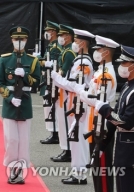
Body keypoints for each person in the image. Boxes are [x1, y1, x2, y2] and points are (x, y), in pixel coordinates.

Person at [47, 29, 95, 184]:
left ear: (81, 43)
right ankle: (78, 172)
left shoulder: (83, 63)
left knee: (78, 140)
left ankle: (79, 174)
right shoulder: (80, 60)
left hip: (80, 105)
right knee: (76, 139)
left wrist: (55, 76)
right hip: (76, 104)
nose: (74, 43)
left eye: (76, 40)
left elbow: (74, 86)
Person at [0, 26, 40, 184]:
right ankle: (11, 168)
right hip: (10, 104)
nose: (19, 42)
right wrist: (9, 98)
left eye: (22, 39)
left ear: (26, 40)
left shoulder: (32, 60)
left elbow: (38, 81)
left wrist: (26, 75)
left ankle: (19, 171)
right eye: (16, 39)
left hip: (25, 103)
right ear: (12, 40)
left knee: (24, 140)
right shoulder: (5, 59)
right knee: (11, 139)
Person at [74, 35, 118, 192]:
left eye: (98, 50)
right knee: (97, 167)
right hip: (95, 121)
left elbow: (99, 101)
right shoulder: (102, 71)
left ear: (106, 52)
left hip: (102, 124)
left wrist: (81, 92)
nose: (96, 53)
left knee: (102, 168)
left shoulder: (105, 75)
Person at [50, 24, 76, 162]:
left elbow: (64, 73)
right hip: (63, 88)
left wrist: (56, 77)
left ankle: (68, 150)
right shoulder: (66, 50)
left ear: (68, 36)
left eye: (62, 35)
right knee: (62, 121)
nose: (60, 37)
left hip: (65, 90)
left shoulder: (69, 52)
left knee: (65, 121)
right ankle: (65, 149)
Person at [39, 20, 62, 144]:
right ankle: (53, 132)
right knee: (48, 107)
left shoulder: (55, 47)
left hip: (51, 81)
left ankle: (55, 133)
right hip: (47, 79)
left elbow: (54, 65)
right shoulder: (51, 45)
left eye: (48, 31)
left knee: (51, 107)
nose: (46, 33)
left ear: (53, 32)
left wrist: (40, 61)